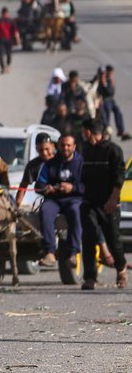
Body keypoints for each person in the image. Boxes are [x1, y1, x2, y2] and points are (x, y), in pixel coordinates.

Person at [79, 119, 127, 289]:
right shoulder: (86, 151)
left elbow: (119, 176)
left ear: (89, 133)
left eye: (83, 132)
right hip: (89, 203)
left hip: (109, 204)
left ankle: (121, 270)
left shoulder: (113, 150)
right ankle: (90, 277)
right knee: (89, 237)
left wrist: (114, 199)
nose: (82, 135)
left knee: (114, 240)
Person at [34, 134, 84, 269]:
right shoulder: (49, 164)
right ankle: (49, 252)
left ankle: (73, 252)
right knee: (45, 210)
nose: (65, 148)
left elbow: (88, 185)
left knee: (76, 211)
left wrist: (72, 187)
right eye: (62, 145)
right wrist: (47, 188)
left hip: (74, 199)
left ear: (74, 147)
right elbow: (39, 185)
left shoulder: (81, 163)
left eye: (68, 145)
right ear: (58, 146)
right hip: (54, 199)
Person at [95, 66, 129, 140]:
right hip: (102, 101)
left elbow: (111, 92)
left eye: (104, 73)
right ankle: (107, 131)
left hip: (110, 100)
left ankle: (121, 130)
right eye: (101, 74)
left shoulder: (108, 80)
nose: (102, 75)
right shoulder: (96, 81)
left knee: (118, 112)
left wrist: (105, 84)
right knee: (106, 112)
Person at [0, 6, 19, 74]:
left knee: (9, 54)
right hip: (1, 39)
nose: (5, 14)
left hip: (9, 39)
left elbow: (15, 31)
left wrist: (17, 39)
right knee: (1, 55)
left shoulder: (11, 21)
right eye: (4, 13)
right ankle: (3, 68)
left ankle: (8, 65)